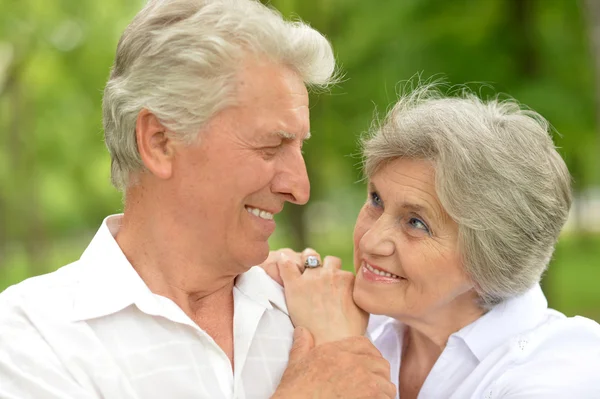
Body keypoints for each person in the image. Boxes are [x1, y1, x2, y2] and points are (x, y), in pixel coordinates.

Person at [0, 0, 396, 398]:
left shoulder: (317, 312)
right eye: (271, 146)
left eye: (299, 148)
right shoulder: (32, 338)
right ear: (160, 142)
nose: (300, 187)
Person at [263, 85, 600, 398]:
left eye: (416, 223)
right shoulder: (351, 317)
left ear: (492, 259)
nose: (370, 240)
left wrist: (340, 355)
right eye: (376, 200)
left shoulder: (565, 370)